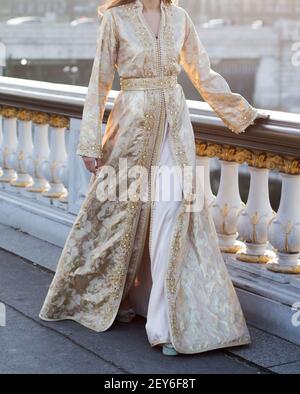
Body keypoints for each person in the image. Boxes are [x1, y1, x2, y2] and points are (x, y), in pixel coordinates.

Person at [39, 0, 268, 356]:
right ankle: (122, 298)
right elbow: (99, 80)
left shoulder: (180, 17)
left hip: (175, 130)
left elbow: (202, 72)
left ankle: (165, 326)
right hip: (129, 131)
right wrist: (89, 142)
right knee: (117, 217)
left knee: (173, 214)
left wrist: (242, 112)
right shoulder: (115, 19)